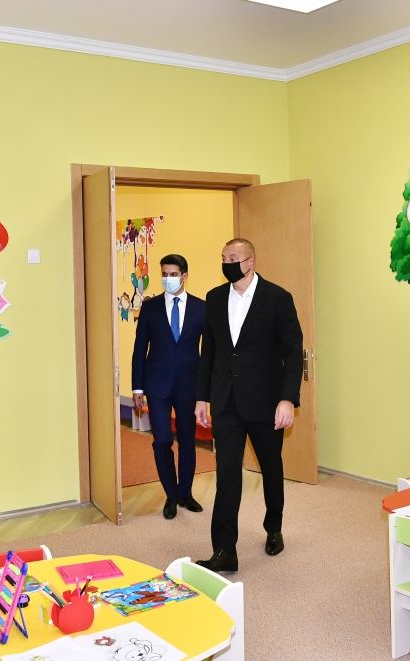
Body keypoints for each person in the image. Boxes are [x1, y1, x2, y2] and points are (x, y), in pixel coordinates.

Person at [194, 238, 303, 573]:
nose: (227, 263)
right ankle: (224, 550)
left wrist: (287, 399)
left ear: (251, 261)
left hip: (266, 403)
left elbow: (292, 352)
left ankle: (274, 528)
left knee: (271, 468)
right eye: (223, 257)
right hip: (226, 402)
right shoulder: (214, 298)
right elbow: (209, 353)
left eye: (234, 257)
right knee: (227, 476)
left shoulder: (278, 298)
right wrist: (202, 396)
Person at [131, 254, 206, 520]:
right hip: (157, 385)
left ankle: (185, 493)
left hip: (189, 385)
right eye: (164, 274)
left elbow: (208, 352)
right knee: (162, 440)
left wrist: (205, 392)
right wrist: (137, 388)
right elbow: (140, 349)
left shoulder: (201, 308)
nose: (168, 279)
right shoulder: (150, 308)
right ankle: (171, 495)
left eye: (173, 274)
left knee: (187, 441)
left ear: (184, 276)